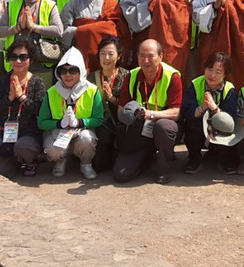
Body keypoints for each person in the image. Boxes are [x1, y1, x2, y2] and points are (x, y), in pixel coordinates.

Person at [114, 38, 182, 183]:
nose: (146, 60)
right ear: (137, 56)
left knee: (164, 126)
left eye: (150, 56)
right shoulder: (131, 76)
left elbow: (176, 113)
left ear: (160, 56)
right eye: (142, 56)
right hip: (139, 129)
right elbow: (120, 111)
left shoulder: (172, 76)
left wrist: (150, 114)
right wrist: (129, 114)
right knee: (121, 175)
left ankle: (163, 169)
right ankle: (147, 157)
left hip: (163, 126)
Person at [119, 0, 192, 79]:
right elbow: (127, 14)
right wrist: (148, 2)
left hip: (168, 45)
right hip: (143, 41)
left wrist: (160, 2)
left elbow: (184, 18)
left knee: (169, 78)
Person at [0, 38, 45, 178]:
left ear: (31, 60)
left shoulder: (37, 82)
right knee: (3, 172)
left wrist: (22, 97)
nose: (18, 61)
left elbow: (39, 111)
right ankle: (11, 159)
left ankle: (30, 161)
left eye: (23, 57)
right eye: (14, 57)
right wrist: (9, 99)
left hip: (27, 133)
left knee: (24, 148)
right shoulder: (3, 81)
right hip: (5, 131)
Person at [40, 46, 102, 179]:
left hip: (81, 132)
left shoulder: (92, 90)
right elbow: (41, 122)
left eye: (73, 70)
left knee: (87, 139)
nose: (68, 75)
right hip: (57, 133)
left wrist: (79, 122)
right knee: (53, 150)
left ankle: (86, 163)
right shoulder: (51, 92)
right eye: (64, 71)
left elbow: (99, 119)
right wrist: (58, 124)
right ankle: (60, 160)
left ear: (81, 72)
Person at [0, 0, 63, 80]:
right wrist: (19, 27)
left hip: (42, 62)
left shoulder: (50, 5)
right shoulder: (12, 5)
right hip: (17, 62)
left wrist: (34, 27)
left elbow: (59, 30)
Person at [61, 0, 129, 71]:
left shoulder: (112, 4)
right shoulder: (72, 4)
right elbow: (63, 31)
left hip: (106, 58)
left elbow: (117, 30)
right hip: (80, 56)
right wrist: (83, 31)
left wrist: (83, 29)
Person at [181, 51, 239, 174]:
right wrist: (203, 107)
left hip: (219, 128)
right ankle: (195, 158)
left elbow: (231, 120)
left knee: (228, 129)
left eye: (218, 72)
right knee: (191, 125)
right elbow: (186, 112)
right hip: (199, 125)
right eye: (209, 69)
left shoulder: (229, 89)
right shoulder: (195, 84)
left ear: (225, 74)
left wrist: (214, 109)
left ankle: (224, 160)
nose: (212, 75)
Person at [89, 36, 128, 174]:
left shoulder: (126, 76)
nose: (106, 58)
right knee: (99, 166)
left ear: (118, 56)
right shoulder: (91, 78)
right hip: (99, 122)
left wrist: (112, 99)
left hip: (120, 122)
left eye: (111, 54)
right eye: (103, 54)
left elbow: (130, 104)